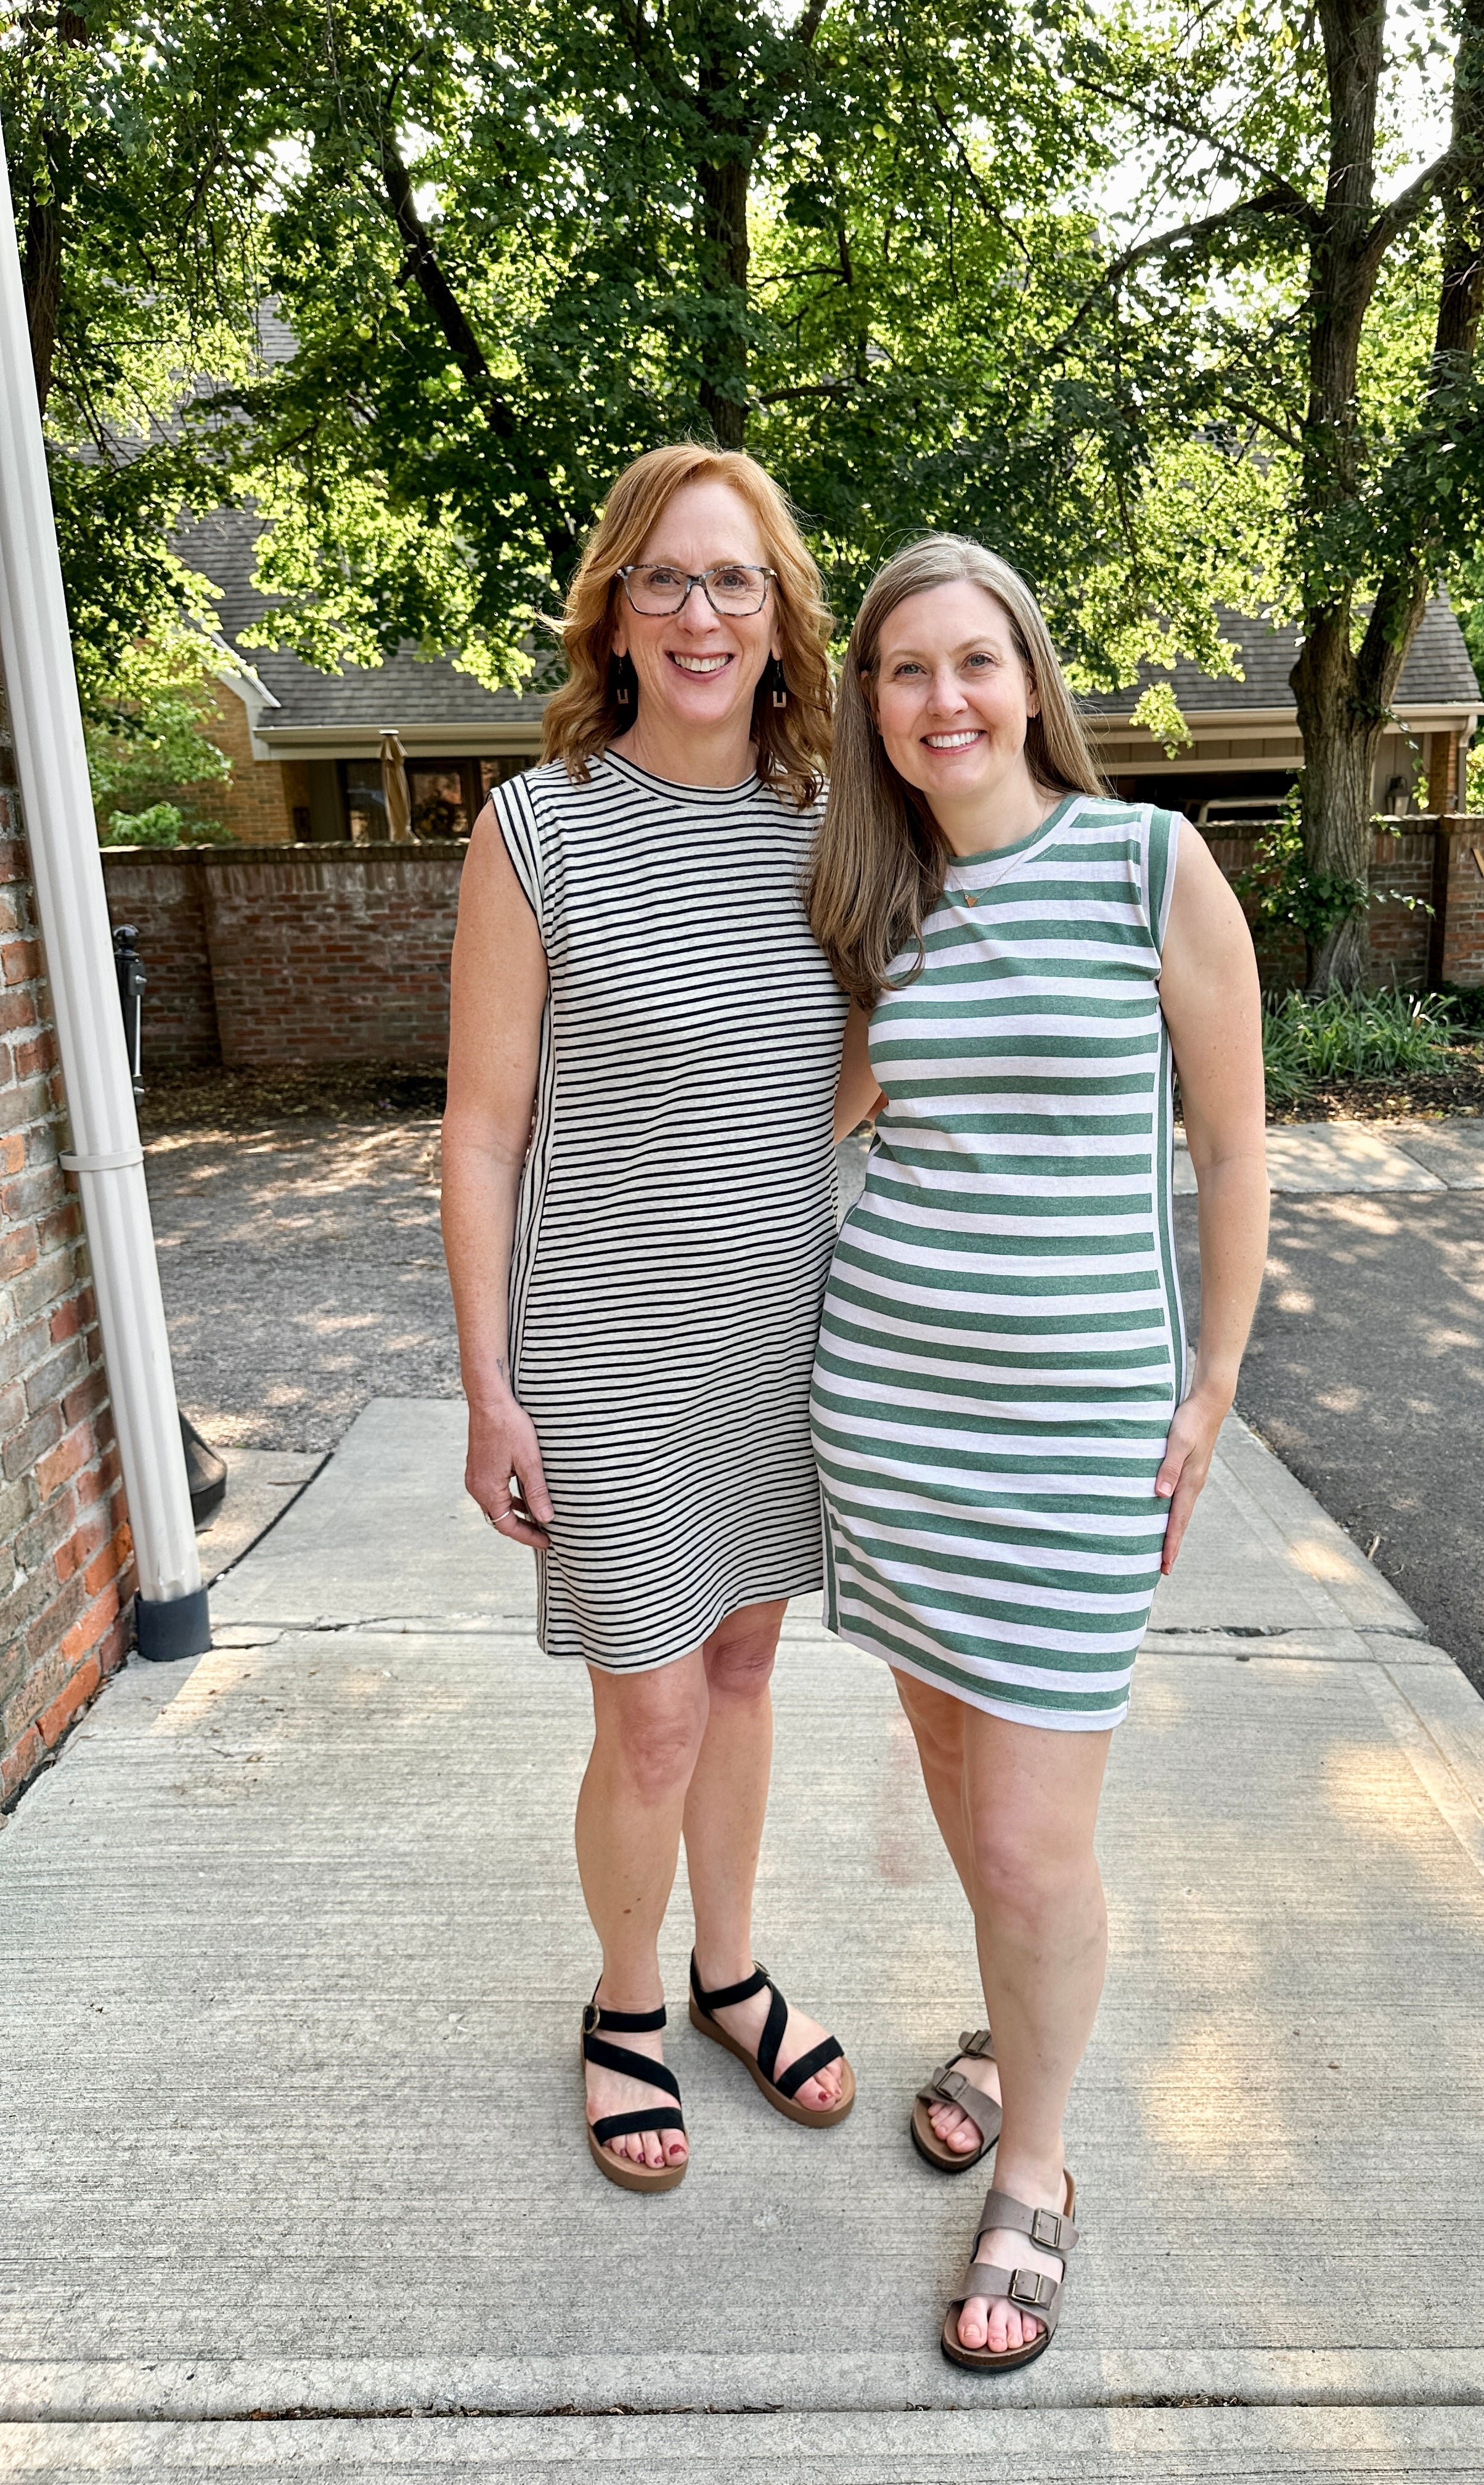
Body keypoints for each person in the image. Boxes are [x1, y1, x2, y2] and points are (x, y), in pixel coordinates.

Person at [807, 536, 1268, 2364]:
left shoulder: (1152, 865)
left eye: (972, 661)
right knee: (955, 1766)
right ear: (874, 705)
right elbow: (814, 1126)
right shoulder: (876, 897)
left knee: (1030, 1834)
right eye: (905, 671)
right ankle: (1009, 2038)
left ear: (1028, 674)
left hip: (1081, 1436)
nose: (944, 699)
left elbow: (1232, 1153)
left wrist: (1215, 1381)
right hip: (894, 1418)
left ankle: (1043, 2172)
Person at [441, 444, 856, 2195]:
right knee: (654, 1713)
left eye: (736, 581)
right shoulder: (533, 826)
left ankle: (728, 1968)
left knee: (750, 1668)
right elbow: (478, 1130)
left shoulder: (842, 823)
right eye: (668, 580)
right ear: (615, 611)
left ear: (781, 621)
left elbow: (868, 1061)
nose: (702, 613)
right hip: (603, 1349)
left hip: (785, 1335)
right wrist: (489, 1388)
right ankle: (625, 2009)